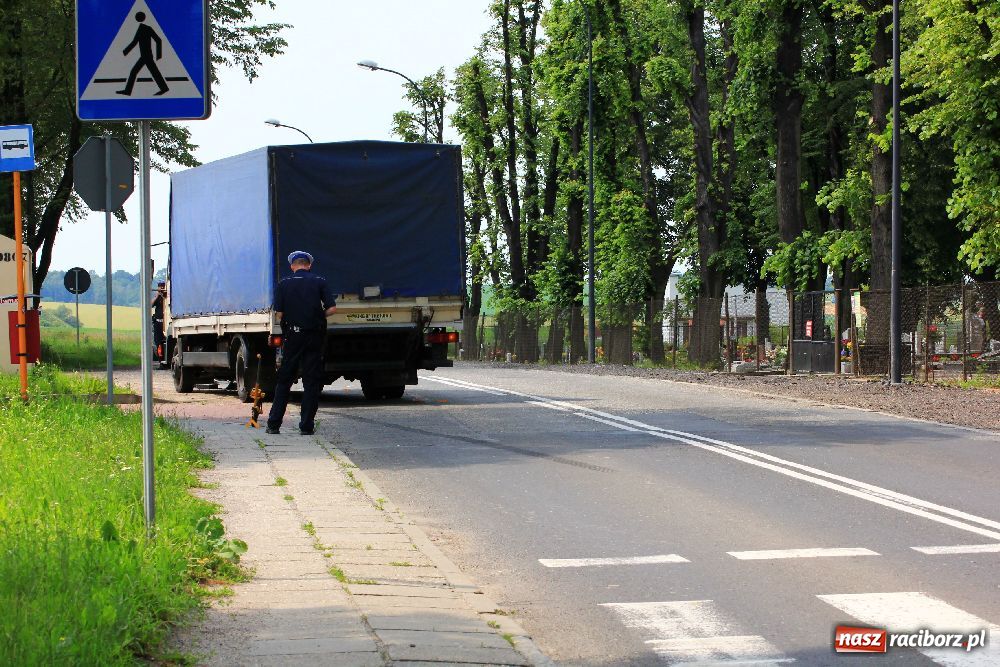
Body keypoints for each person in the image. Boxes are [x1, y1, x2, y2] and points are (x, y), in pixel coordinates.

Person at [266, 251, 336, 435]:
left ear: (292, 266)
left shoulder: (284, 285)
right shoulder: (320, 281)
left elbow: (279, 314)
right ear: (309, 265)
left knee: (284, 379)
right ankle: (306, 426)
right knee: (311, 381)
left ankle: (274, 424)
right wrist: (318, 316)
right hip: (314, 336)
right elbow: (332, 308)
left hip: (293, 336)